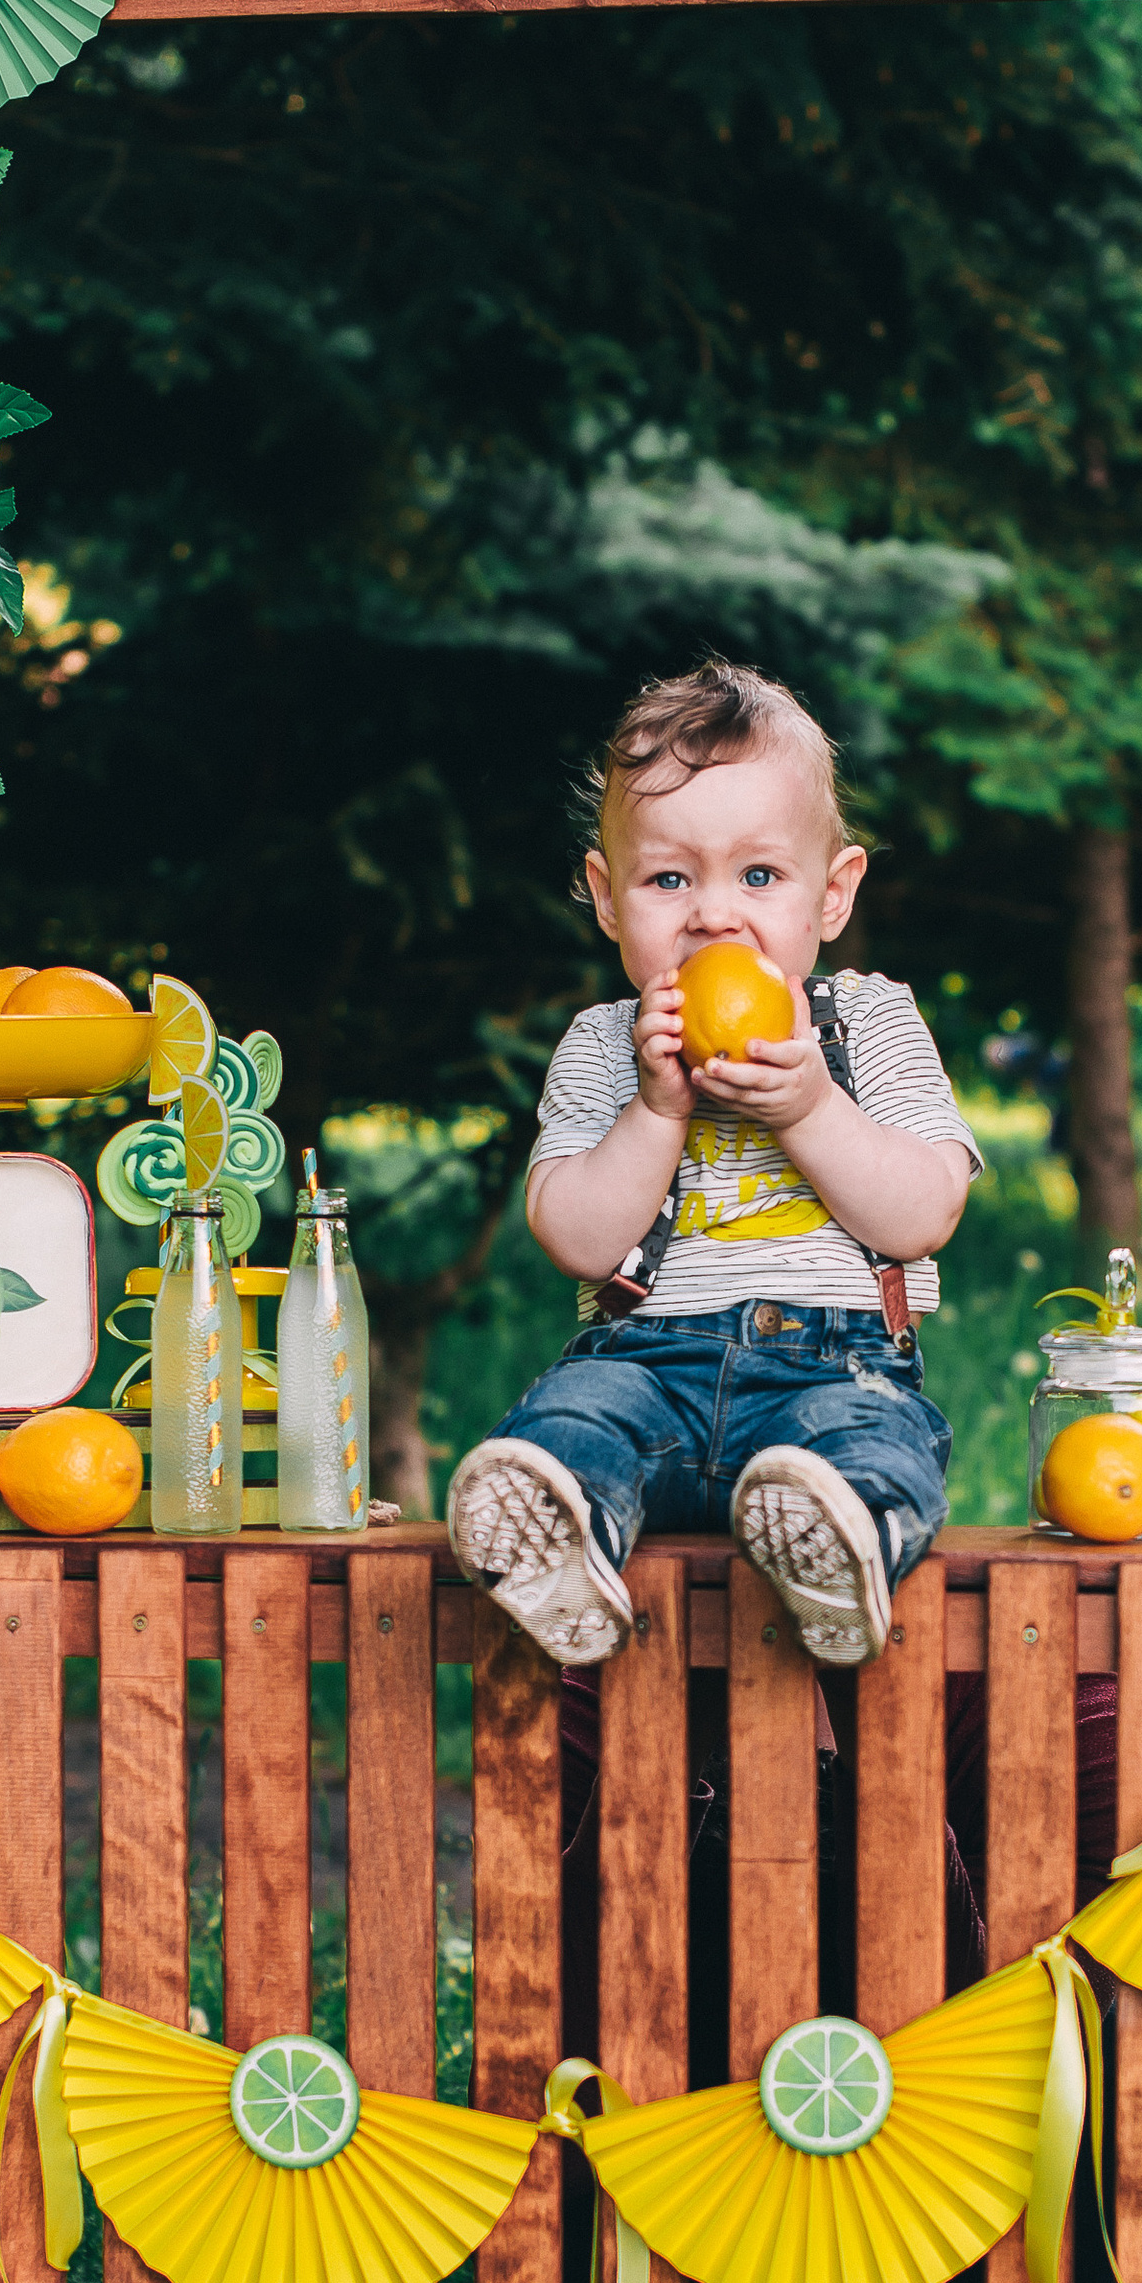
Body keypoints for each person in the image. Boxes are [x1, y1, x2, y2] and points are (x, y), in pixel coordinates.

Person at [447, 662, 977, 1670]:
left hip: (837, 1368)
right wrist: (656, 1110)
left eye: (760, 876)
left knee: (871, 1443)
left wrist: (812, 1105)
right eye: (669, 879)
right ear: (608, 899)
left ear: (833, 894)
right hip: (645, 1365)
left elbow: (921, 1215)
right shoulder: (606, 1046)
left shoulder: (868, 1022)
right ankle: (559, 1558)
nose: (713, 916)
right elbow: (577, 1239)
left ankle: (840, 1548)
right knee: (568, 1424)